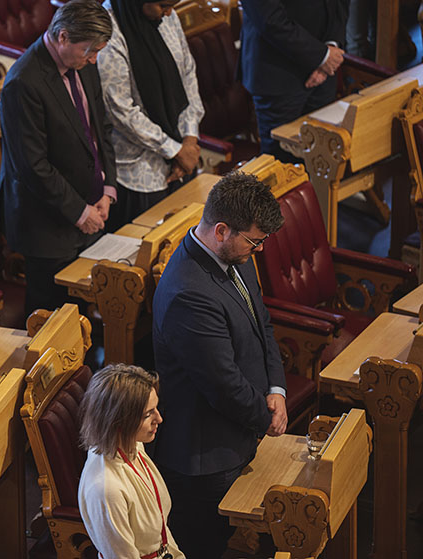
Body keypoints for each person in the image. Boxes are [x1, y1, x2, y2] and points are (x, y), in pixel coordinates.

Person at [151, 172, 287, 558]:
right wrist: (267, 418)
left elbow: (262, 323)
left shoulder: (234, 254)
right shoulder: (189, 293)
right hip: (206, 457)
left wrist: (276, 390)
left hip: (239, 427)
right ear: (222, 229)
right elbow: (222, 383)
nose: (258, 250)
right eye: (255, 241)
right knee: (206, 548)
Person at [0, 0, 117, 316]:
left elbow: (99, 129)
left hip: (89, 208)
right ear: (62, 37)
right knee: (53, 321)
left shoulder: (81, 65)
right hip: (46, 225)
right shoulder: (23, 82)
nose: (93, 60)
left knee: (85, 312)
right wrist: (80, 211)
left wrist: (107, 189)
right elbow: (32, 167)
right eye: (89, 51)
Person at [97, 0, 204, 230]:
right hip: (139, 172)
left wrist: (189, 138)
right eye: (163, 5)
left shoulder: (167, 16)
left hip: (183, 156)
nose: (169, 12)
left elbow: (188, 74)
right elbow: (121, 111)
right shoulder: (108, 30)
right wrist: (173, 150)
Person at [78, 364, 185, 559]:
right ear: (118, 421)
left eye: (156, 409)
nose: (159, 419)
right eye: (148, 415)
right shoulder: (106, 489)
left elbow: (160, 531)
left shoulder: (133, 445)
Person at [239, 0, 348, 161]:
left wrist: (331, 45)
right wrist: (321, 56)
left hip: (325, 66)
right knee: (282, 167)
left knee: (324, 158)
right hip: (278, 74)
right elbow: (269, 19)